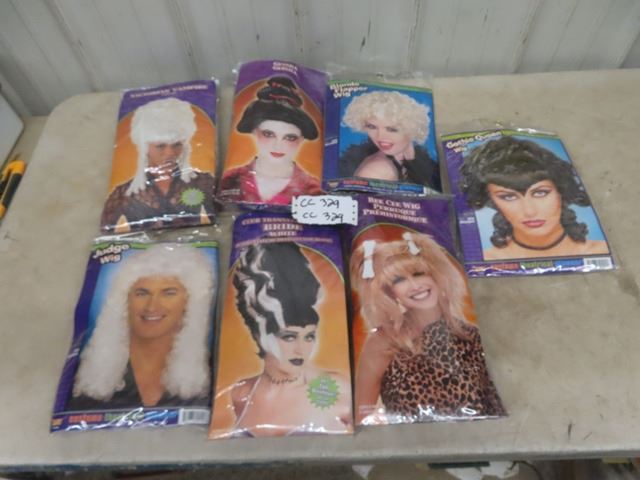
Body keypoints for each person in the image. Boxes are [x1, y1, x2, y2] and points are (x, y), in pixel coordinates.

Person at [350, 232, 505, 424]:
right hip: (414, 440)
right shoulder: (384, 342)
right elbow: (361, 415)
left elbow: (494, 406)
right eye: (399, 280)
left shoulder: (471, 336)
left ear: (436, 276)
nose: (415, 286)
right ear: (389, 292)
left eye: (419, 273)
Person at [68, 244, 215, 410]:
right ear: (124, 300)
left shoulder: (210, 373)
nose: (152, 307)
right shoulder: (86, 375)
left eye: (169, 293)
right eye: (142, 293)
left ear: (190, 301)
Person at [227, 242, 352, 436]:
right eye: (289, 337)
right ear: (259, 335)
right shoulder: (241, 393)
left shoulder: (339, 388)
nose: (301, 349)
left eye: (309, 336)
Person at [459, 136, 609, 260]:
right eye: (509, 197)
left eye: (540, 193)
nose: (530, 211)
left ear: (561, 192)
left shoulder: (600, 252)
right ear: (491, 201)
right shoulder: (487, 261)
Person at [101, 97, 215, 233]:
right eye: (160, 146)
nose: (170, 153)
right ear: (145, 147)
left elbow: (222, 218)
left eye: (177, 144)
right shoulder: (125, 192)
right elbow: (106, 230)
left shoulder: (203, 182)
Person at [220, 77, 322, 204]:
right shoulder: (230, 180)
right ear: (254, 131)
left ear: (301, 139)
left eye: (290, 138)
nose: (278, 145)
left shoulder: (313, 191)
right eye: (268, 134)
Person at [340, 90, 438, 189]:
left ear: (412, 130)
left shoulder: (418, 160)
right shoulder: (377, 171)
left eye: (392, 129)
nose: (380, 137)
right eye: (372, 127)